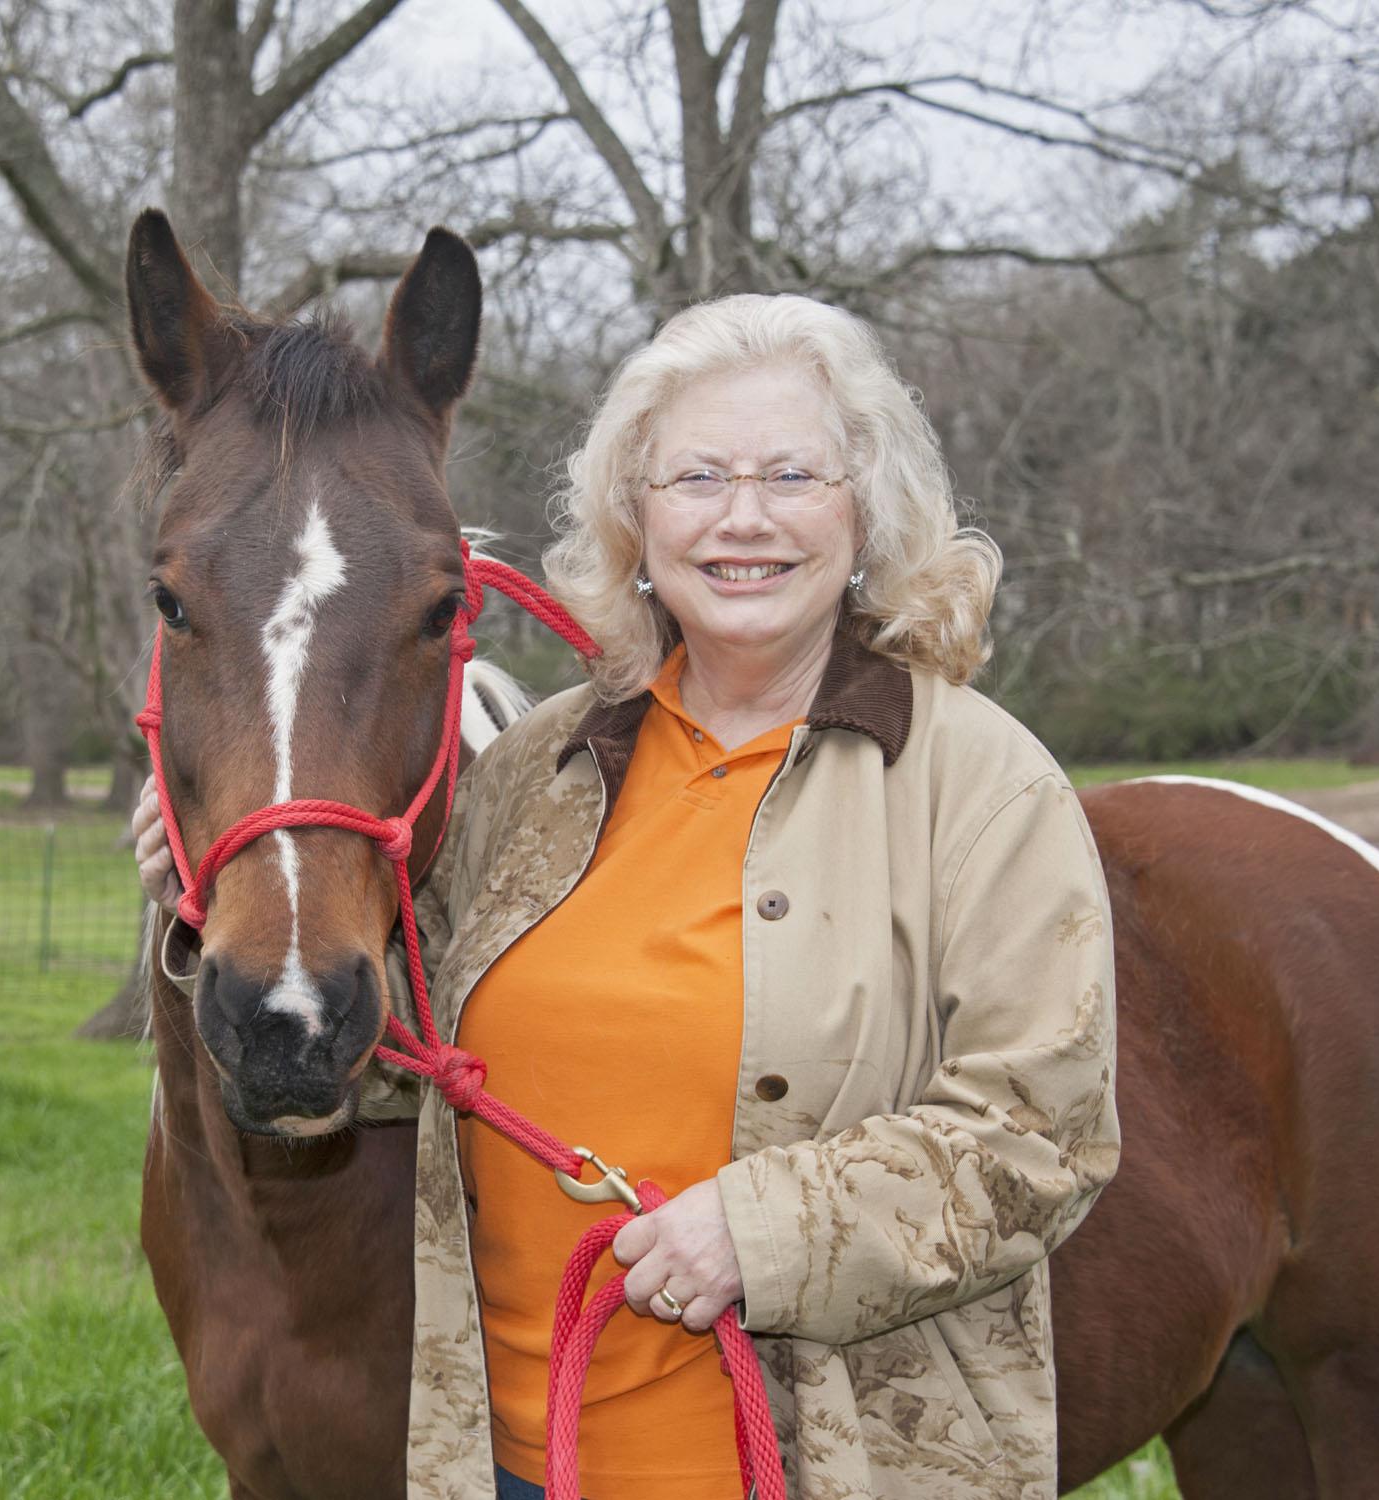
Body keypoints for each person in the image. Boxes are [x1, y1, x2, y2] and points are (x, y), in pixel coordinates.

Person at [133, 293, 1119, 1500]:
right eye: (695, 476)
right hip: (510, 1463)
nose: (742, 517)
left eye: (793, 475)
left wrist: (761, 1237)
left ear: (866, 509)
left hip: (808, 1467)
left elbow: (1041, 1139)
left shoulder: (981, 785)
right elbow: (402, 1055)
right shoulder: (537, 772)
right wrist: (218, 915)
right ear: (632, 517)